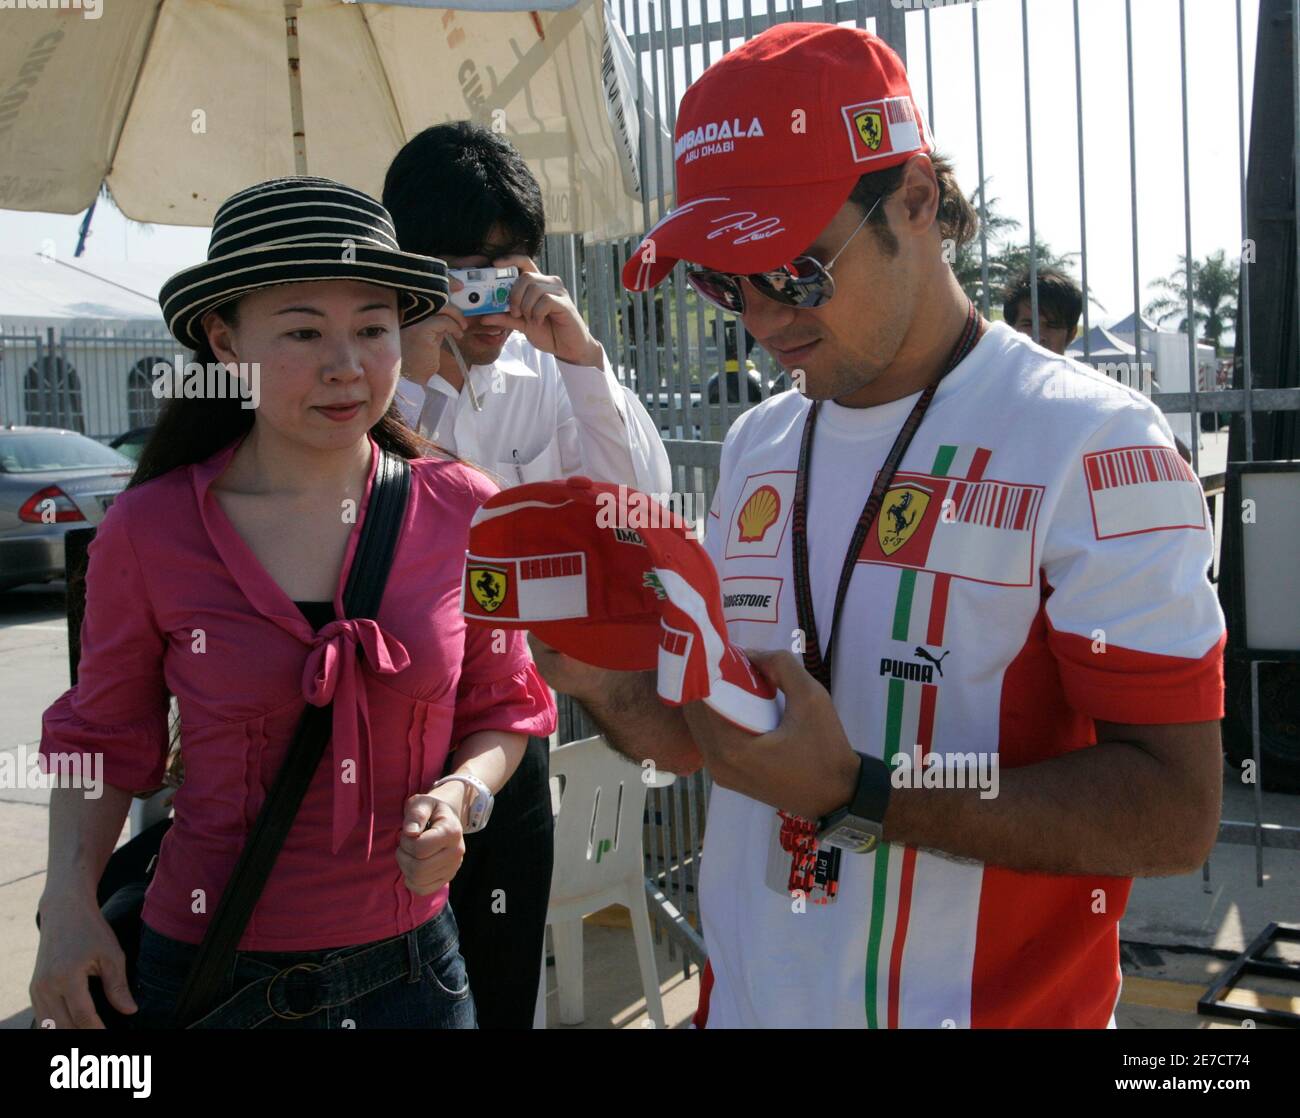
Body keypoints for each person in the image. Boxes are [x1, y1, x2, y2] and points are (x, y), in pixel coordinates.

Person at [536, 24, 1226, 1028]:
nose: (763, 318)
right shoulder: (759, 442)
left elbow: (1174, 811)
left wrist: (861, 789)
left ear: (914, 198)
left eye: (794, 270)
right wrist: (603, 678)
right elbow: (709, 743)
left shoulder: (1090, 442)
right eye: (723, 283)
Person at [29, 177, 556, 1029]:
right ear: (224, 338)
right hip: (208, 978)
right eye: (303, 330)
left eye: (373, 329)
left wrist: (462, 797)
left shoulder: (467, 509)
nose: (346, 365)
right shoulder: (150, 529)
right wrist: (68, 904)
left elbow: (506, 705)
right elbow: (103, 740)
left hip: (418, 979)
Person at [381, 123, 671, 1028]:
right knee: (385, 974)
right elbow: (378, 517)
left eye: (513, 265)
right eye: (468, 267)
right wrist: (421, 377)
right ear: (412, 266)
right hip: (382, 720)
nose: (491, 296)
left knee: (503, 977)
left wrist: (584, 362)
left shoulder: (546, 369)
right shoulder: (360, 366)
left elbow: (639, 507)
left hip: (504, 728)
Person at [1002, 268, 1084, 355]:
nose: (1039, 337)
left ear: (1071, 334)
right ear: (1009, 330)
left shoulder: (1078, 369)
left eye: (1052, 325)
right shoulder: (992, 368)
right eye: (1028, 324)